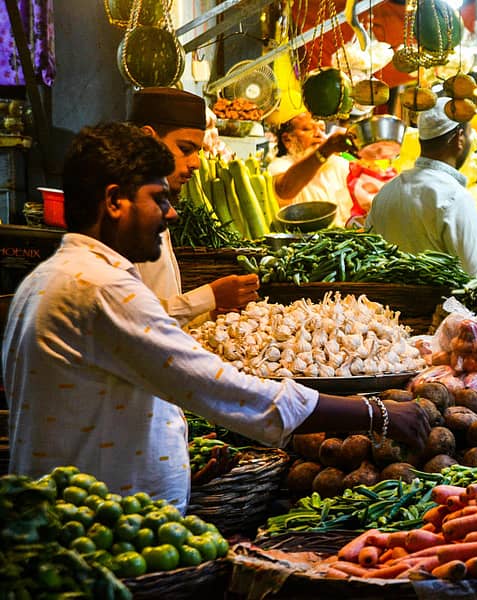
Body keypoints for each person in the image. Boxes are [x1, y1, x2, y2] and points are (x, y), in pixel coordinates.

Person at [0, 122, 429, 511]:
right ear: (114, 201)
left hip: (89, 518)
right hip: (99, 528)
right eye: (158, 198)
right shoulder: (102, 288)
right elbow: (222, 389)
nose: (171, 213)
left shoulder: (50, 277)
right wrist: (375, 413)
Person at [129, 87, 259, 326]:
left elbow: (164, 314)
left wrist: (210, 314)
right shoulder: (120, 217)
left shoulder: (155, 212)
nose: (196, 163)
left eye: (197, 151)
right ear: (147, 140)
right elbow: (131, 317)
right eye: (185, 149)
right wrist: (210, 296)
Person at [366, 97, 477, 281]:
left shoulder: (386, 192)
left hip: (389, 308)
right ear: (459, 138)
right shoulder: (455, 197)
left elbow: (369, 254)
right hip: (440, 308)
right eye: (470, 134)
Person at [269, 111, 357, 227]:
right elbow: (284, 190)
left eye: (322, 129)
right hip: (303, 241)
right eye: (308, 129)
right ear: (287, 139)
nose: (318, 134)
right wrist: (324, 150)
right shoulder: (280, 166)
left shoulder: (341, 165)